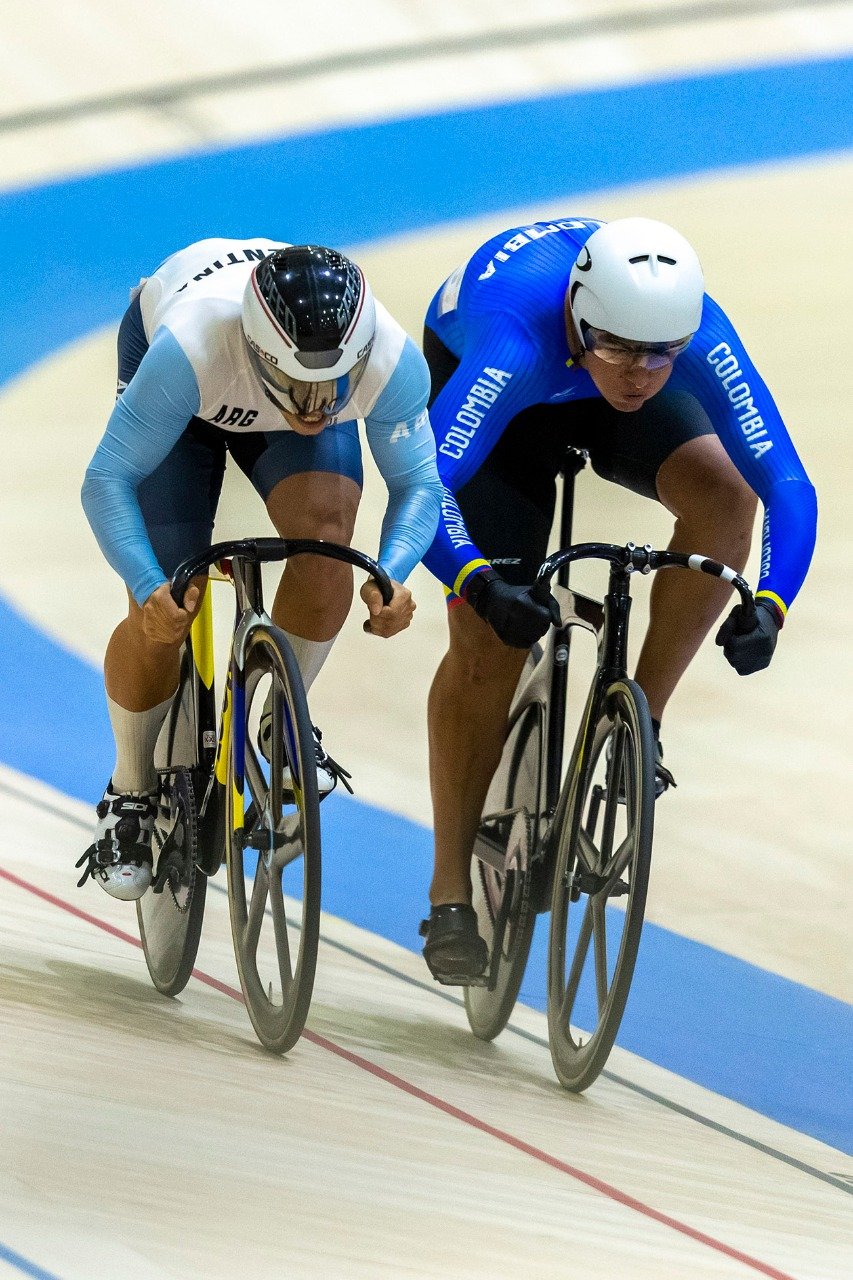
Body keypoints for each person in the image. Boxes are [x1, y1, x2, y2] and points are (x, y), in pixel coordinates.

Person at [417, 215, 817, 983]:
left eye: (658, 358)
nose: (636, 374)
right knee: (487, 650)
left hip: (577, 374)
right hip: (507, 397)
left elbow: (785, 483)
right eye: (618, 351)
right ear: (578, 313)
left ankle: (642, 722)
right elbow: (423, 489)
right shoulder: (513, 334)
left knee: (727, 499)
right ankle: (448, 894)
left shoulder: (692, 337)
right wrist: (477, 582)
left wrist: (771, 602)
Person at [77, 238, 443, 901]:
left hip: (247, 382)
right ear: (258, 350)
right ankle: (129, 791)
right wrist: (144, 584)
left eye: (331, 385)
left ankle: (283, 716)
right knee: (166, 604)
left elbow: (420, 485)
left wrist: (390, 573)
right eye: (298, 384)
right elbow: (107, 480)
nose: (313, 404)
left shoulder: (389, 360)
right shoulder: (189, 350)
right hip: (192, 398)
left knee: (329, 543)